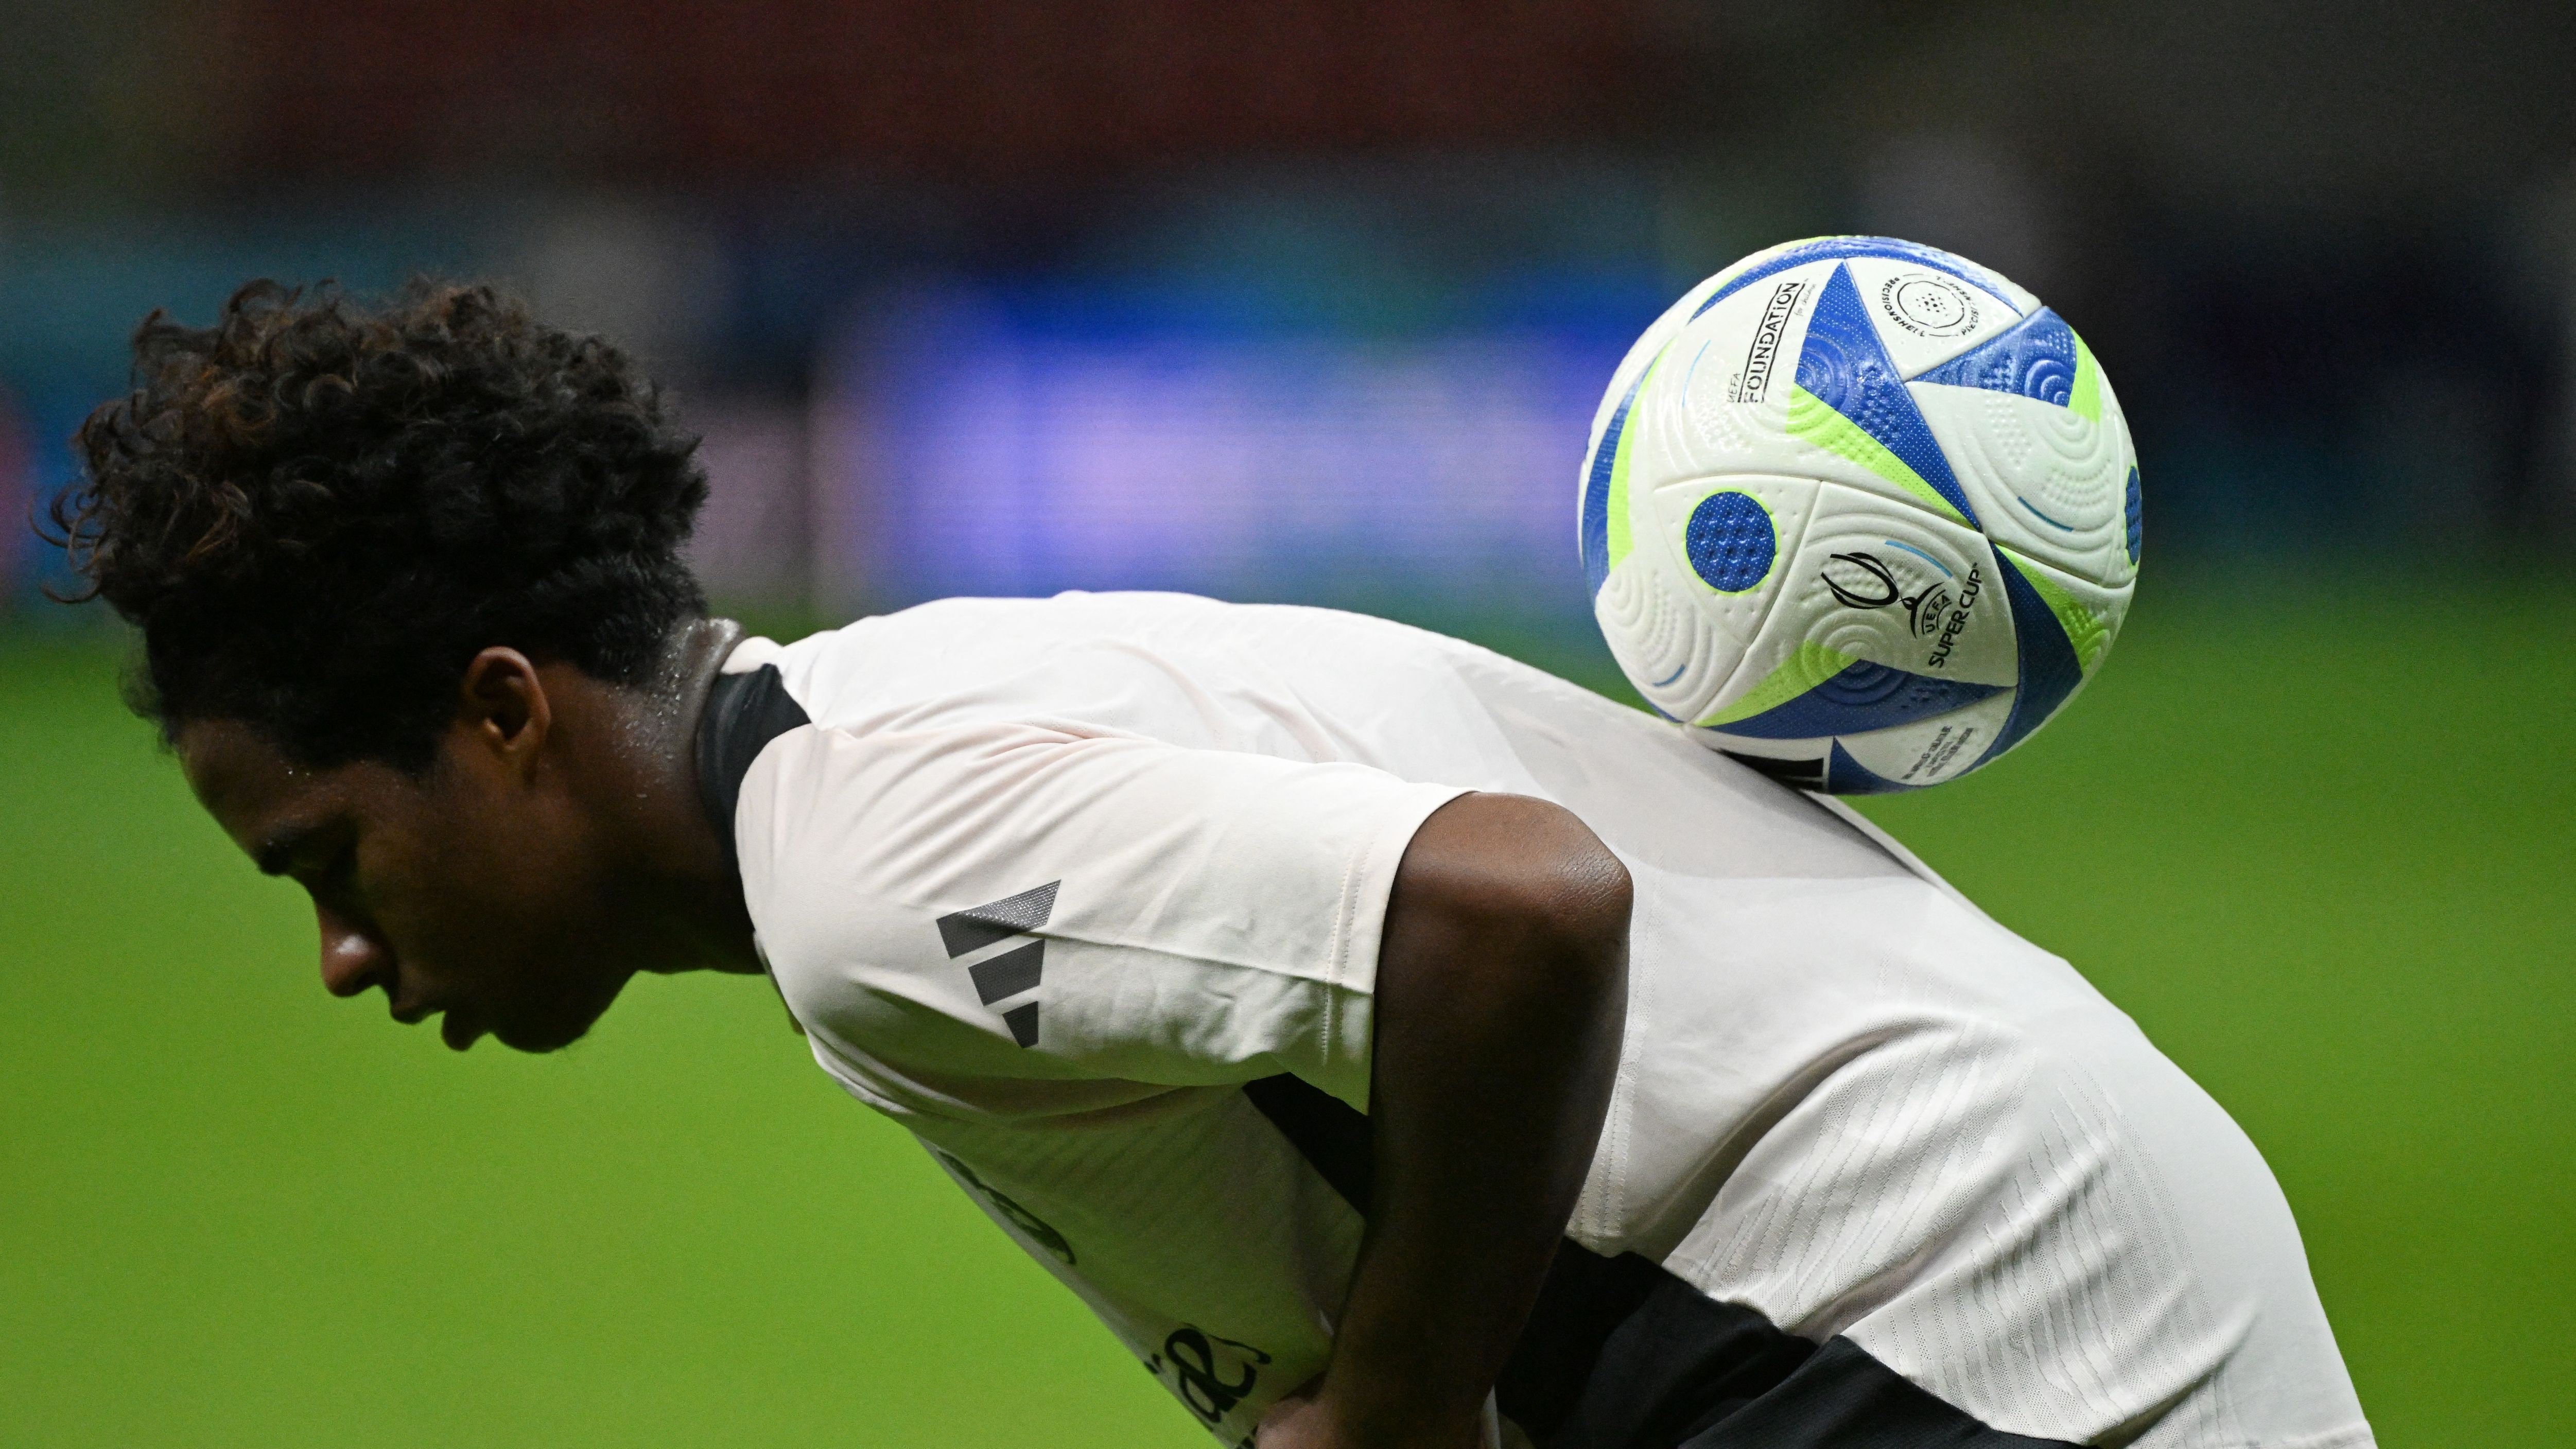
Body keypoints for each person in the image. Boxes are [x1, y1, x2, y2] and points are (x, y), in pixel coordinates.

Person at [49, 280, 2374, 1449]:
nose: (348, 950)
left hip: (1954, 1334)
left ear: (501, 713)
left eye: (326, 857)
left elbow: (1517, 904)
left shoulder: (866, 851)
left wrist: (1385, 1413)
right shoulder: (903, 712)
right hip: (2012, 1262)